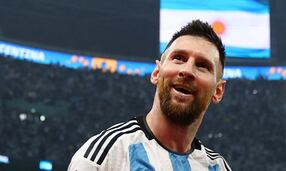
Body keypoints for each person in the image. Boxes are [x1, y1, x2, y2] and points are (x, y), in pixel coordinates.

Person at [68, 20, 232, 171]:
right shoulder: (106, 157)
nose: (187, 71)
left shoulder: (218, 167)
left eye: (203, 66)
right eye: (179, 58)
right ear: (156, 73)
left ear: (218, 91)